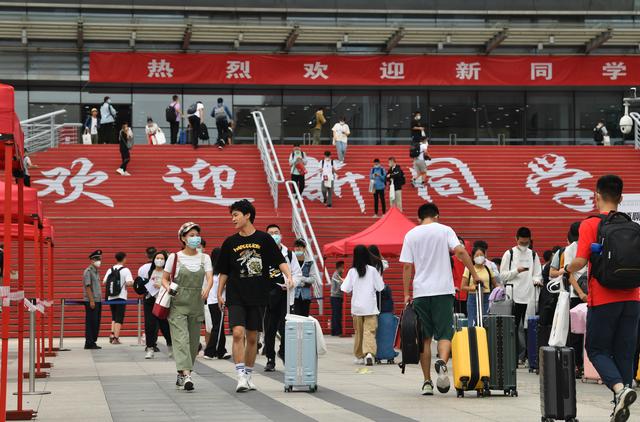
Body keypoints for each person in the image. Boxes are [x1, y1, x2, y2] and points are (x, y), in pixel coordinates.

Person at [565, 174, 640, 421]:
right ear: (620, 197)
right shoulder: (632, 226)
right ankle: (620, 402)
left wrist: (567, 268)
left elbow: (581, 260)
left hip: (604, 298)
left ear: (596, 195)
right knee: (625, 353)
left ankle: (620, 390)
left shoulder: (589, 225)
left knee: (596, 348)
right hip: (632, 298)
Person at [400, 202, 480, 396]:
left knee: (425, 339)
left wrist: (406, 293)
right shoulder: (445, 230)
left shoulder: (411, 234)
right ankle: (442, 363)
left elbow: (407, 266)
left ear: (419, 218)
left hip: (421, 292)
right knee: (444, 335)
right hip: (443, 291)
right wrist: (474, 273)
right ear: (437, 215)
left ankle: (427, 382)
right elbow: (460, 252)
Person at [216, 200, 293, 393]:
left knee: (252, 338)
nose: (233, 219)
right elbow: (224, 271)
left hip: (258, 294)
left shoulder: (264, 239)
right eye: (232, 215)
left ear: (247, 215)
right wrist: (219, 292)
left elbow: (279, 260)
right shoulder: (229, 242)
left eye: (236, 215)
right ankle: (240, 375)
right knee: (237, 333)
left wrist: (289, 276)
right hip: (236, 294)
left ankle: (249, 374)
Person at [161, 222, 213, 392]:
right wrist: (168, 287)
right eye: (191, 235)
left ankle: (182, 373)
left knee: (192, 342)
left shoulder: (205, 258)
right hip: (178, 304)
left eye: (197, 235)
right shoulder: (174, 257)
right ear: (183, 238)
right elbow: (165, 278)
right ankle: (188, 375)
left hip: (196, 303)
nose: (195, 238)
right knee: (181, 338)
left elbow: (210, 277)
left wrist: (207, 287)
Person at [499, 227, 543, 364]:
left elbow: (538, 274)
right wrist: (516, 271)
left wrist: (537, 280)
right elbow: (503, 276)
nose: (524, 245)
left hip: (529, 296)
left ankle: (529, 358)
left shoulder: (534, 255)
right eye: (522, 243)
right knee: (513, 328)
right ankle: (512, 357)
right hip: (513, 295)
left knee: (529, 328)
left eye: (526, 243)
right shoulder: (509, 254)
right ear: (516, 239)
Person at [550, 222, 586, 375]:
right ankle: (578, 364)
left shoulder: (591, 246)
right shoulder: (569, 250)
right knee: (577, 333)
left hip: (590, 293)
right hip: (577, 294)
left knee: (588, 332)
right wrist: (581, 293)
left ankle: (587, 365)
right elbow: (568, 273)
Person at [263, 224, 301, 372]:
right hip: (268, 296)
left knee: (286, 329)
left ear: (281, 235)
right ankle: (270, 358)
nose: (274, 235)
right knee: (269, 329)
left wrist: (291, 283)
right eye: (271, 233)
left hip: (285, 295)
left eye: (276, 232)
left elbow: (297, 274)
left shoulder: (289, 254)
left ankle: (283, 351)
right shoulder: (262, 253)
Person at [341, 245, 385, 366]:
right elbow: (380, 287)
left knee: (359, 332)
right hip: (370, 307)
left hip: (357, 307)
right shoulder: (372, 270)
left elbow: (345, 289)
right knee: (369, 332)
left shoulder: (352, 272)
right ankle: (369, 353)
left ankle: (359, 355)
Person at [139, 249, 172, 359]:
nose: (159, 260)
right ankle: (150, 348)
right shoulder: (150, 271)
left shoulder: (167, 272)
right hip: (149, 300)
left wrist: (162, 286)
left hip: (162, 301)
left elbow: (171, 285)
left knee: (164, 325)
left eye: (162, 258)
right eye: (157, 258)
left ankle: (170, 346)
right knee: (149, 325)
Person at [203, 248, 230, 360]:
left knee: (219, 327)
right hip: (215, 301)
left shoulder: (214, 272)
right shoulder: (216, 272)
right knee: (217, 327)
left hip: (215, 301)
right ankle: (209, 352)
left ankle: (221, 351)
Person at [103, 252, 134, 345]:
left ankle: (112, 334)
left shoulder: (110, 269)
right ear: (124, 259)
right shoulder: (126, 270)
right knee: (119, 318)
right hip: (121, 297)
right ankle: (116, 338)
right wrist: (132, 282)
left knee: (114, 316)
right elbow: (129, 283)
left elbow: (104, 282)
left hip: (111, 297)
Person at [461, 246, 495, 327]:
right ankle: (473, 339)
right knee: (472, 323)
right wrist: (473, 288)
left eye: (481, 255)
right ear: (473, 257)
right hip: (473, 298)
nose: (479, 257)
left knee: (485, 322)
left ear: (485, 256)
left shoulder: (488, 269)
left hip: (486, 298)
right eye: (477, 255)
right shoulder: (468, 269)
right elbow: (463, 287)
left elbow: (495, 284)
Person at [83, 250, 103, 350]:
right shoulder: (88, 271)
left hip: (98, 300)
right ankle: (89, 342)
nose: (99, 261)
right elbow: (88, 286)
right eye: (97, 259)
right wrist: (91, 300)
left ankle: (93, 342)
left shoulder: (96, 272)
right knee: (91, 322)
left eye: (100, 259)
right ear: (91, 260)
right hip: (92, 301)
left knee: (96, 322)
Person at [293, 238, 317, 317]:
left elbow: (313, 278)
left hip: (305, 296)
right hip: (293, 295)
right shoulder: (290, 261)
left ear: (304, 248)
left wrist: (301, 278)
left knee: (304, 318)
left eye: (300, 247)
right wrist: (301, 281)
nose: (298, 248)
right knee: (294, 318)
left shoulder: (310, 262)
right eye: (296, 247)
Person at [330, 261, 345, 336]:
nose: (343, 269)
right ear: (339, 267)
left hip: (337, 297)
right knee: (336, 314)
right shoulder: (336, 275)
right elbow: (341, 286)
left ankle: (335, 331)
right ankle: (337, 331)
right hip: (336, 297)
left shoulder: (339, 274)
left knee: (336, 314)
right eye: (342, 267)